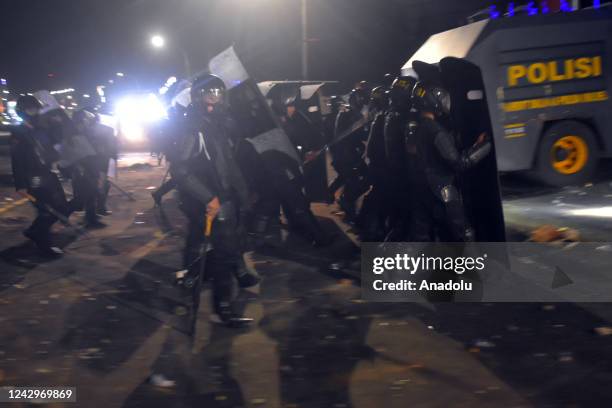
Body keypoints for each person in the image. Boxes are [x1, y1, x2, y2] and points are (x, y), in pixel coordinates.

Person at [171, 74, 253, 328]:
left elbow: (227, 162)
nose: (214, 98)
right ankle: (222, 309)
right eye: (209, 93)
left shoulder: (217, 122)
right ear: (198, 96)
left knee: (215, 248)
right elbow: (181, 170)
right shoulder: (192, 126)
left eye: (218, 93)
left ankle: (192, 277)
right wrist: (209, 198)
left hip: (225, 197)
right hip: (207, 200)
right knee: (223, 253)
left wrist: (242, 193)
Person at [409, 81, 491, 241]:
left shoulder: (417, 128)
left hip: (422, 189)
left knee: (426, 237)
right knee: (464, 235)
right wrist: (484, 146)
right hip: (442, 190)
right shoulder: (435, 130)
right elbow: (460, 163)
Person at [10, 95, 72, 256]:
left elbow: (55, 144)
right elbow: (17, 159)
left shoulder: (42, 129)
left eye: (36, 108)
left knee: (62, 207)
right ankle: (43, 243)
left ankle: (34, 231)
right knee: (46, 210)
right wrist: (21, 185)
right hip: (33, 178)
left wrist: (58, 122)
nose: (35, 112)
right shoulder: (19, 132)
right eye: (31, 109)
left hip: (48, 173)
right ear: (22, 111)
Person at [329, 87, 370, 221]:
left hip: (345, 154)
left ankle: (343, 202)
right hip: (348, 155)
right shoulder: (351, 113)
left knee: (352, 179)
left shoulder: (347, 111)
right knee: (359, 180)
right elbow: (358, 133)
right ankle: (348, 207)